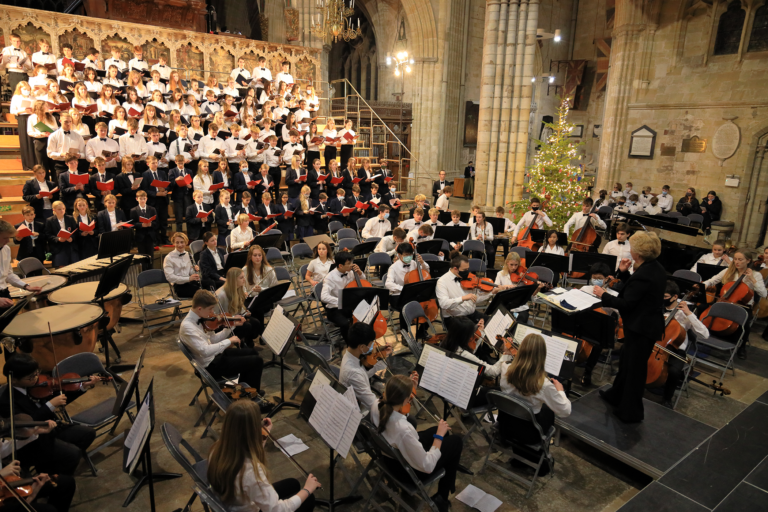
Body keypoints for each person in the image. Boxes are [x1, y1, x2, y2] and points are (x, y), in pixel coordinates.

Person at [593, 231, 666, 423]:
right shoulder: (653, 267)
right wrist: (624, 273)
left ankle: (631, 412)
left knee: (635, 371)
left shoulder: (645, 274)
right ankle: (616, 396)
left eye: (632, 247)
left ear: (638, 253)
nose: (630, 250)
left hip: (642, 328)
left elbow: (626, 303)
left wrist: (603, 295)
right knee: (626, 362)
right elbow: (635, 292)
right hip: (643, 324)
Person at [207, 400, 318, 512]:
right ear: (253, 430)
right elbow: (278, 510)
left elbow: (249, 452)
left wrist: (265, 434)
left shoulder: (217, 448)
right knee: (309, 499)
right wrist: (307, 489)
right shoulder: (250, 472)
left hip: (234, 502)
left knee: (293, 484)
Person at [0, 352, 98, 476]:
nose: (36, 378)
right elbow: (25, 425)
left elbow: (60, 399)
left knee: (88, 434)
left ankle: (50, 468)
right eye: (30, 377)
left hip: (53, 428)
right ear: (14, 380)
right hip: (33, 440)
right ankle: (53, 478)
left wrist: (82, 387)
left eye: (37, 373)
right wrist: (50, 405)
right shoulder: (6, 400)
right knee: (73, 453)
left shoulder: (37, 384)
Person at [378, 375, 462, 511]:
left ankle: (449, 469)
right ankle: (442, 497)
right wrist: (439, 436)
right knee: (456, 441)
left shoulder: (377, 407)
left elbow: (401, 420)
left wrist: (408, 390)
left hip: (391, 460)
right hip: (407, 472)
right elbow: (427, 465)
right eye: (409, 398)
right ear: (405, 400)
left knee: (440, 432)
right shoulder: (404, 429)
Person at [180, 290, 269, 407]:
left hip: (215, 357)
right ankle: (252, 404)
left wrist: (231, 327)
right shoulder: (188, 327)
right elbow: (205, 351)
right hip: (210, 367)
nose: (213, 312)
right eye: (210, 309)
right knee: (257, 361)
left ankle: (245, 392)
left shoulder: (201, 318)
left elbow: (213, 340)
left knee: (252, 352)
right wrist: (229, 341)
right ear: (200, 309)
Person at [498, 333, 571, 476]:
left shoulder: (505, 369)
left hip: (505, 426)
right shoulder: (543, 384)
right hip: (530, 434)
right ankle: (539, 460)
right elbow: (565, 411)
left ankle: (519, 457)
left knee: (527, 409)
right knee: (548, 410)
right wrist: (560, 391)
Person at [702, 249, 766, 359]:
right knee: (702, 307)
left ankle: (742, 347)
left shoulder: (756, 275)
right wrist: (703, 285)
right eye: (735, 259)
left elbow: (763, 293)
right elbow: (713, 280)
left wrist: (752, 279)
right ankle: (706, 335)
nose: (737, 262)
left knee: (745, 322)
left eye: (740, 259)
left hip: (742, 305)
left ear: (748, 261)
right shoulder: (728, 271)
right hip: (725, 302)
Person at [660, 281, 709, 408]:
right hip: (656, 345)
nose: (661, 299)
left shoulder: (684, 314)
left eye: (665, 296)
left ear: (675, 297)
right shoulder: (657, 307)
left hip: (675, 349)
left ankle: (667, 398)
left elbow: (705, 334)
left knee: (674, 371)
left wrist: (689, 314)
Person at [340, 323, 394, 426]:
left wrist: (382, 358)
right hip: (361, 413)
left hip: (363, 400)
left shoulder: (350, 354)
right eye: (370, 344)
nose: (372, 347)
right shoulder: (353, 373)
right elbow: (372, 404)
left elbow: (364, 373)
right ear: (361, 347)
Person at [0, 220, 43, 314]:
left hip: (4, 292)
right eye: (5, 238)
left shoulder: (6, 249)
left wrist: (26, 286)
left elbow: (8, 274)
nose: (8, 241)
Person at [320, 251, 363, 341]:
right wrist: (342, 300)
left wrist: (360, 273)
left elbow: (363, 282)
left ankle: (361, 339)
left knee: (365, 315)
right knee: (345, 324)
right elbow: (323, 297)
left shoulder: (351, 272)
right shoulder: (330, 277)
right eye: (349, 263)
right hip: (334, 308)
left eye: (352, 262)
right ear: (340, 265)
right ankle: (350, 345)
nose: (352, 265)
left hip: (349, 306)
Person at [216, 268, 263, 348]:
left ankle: (247, 340)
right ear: (233, 280)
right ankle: (239, 343)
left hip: (235, 316)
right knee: (246, 326)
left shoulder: (238, 288)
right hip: (225, 322)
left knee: (256, 323)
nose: (244, 280)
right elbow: (218, 316)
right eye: (241, 278)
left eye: (244, 277)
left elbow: (238, 306)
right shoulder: (222, 294)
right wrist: (235, 318)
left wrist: (244, 311)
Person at [436, 254, 486, 328]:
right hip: (455, 319)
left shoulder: (468, 278)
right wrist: (463, 298)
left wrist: (492, 292)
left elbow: (475, 298)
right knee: (474, 331)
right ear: (455, 269)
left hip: (472, 314)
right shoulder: (442, 281)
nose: (467, 272)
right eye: (465, 270)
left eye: (468, 269)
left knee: (491, 322)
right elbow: (444, 304)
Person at [242, 245, 278, 333]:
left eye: (259, 255)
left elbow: (274, 288)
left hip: (265, 299)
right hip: (250, 298)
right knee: (246, 309)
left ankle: (259, 332)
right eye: (255, 255)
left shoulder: (269, 270)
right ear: (250, 257)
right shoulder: (245, 270)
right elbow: (241, 285)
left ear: (262, 256)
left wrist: (261, 289)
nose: (257, 257)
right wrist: (244, 292)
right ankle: (254, 333)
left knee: (257, 308)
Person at [142, 154, 170, 244]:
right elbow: (145, 189)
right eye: (153, 163)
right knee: (155, 221)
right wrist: (156, 194)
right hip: (153, 201)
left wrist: (165, 190)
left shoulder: (162, 173)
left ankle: (164, 238)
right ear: (148, 164)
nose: (155, 164)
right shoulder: (145, 174)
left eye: (156, 163)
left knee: (163, 220)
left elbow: (167, 185)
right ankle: (155, 239)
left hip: (163, 200)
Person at [45, 201, 78, 267]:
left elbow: (76, 231)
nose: (62, 211)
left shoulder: (70, 218)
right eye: (59, 209)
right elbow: (48, 235)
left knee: (74, 266)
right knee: (61, 268)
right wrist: (58, 239)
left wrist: (72, 238)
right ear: (54, 210)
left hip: (70, 247)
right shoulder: (50, 220)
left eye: (63, 209)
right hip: (58, 248)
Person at [131, 190, 157, 260]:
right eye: (140, 198)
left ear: (147, 199)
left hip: (150, 236)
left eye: (144, 198)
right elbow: (132, 224)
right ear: (137, 199)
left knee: (150, 256)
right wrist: (141, 225)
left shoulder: (152, 209)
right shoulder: (133, 210)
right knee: (142, 257)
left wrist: (151, 224)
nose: (142, 200)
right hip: (140, 236)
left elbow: (156, 222)